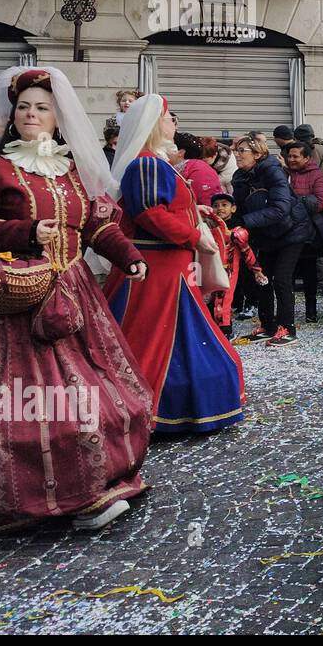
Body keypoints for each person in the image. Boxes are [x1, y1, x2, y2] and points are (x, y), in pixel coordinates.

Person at [0, 67, 153, 532]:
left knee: (98, 393)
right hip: (19, 299)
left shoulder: (70, 169)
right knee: (29, 407)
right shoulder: (0, 167)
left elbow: (96, 225)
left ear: (57, 118)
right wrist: (23, 231)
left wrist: (129, 256)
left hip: (74, 295)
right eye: (24, 106)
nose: (31, 114)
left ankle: (90, 487)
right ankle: (37, 496)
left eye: (41, 107)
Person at [104, 95, 246, 433]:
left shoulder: (153, 162)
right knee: (152, 342)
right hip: (159, 270)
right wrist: (194, 236)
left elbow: (159, 208)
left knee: (167, 339)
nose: (174, 125)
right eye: (169, 119)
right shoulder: (147, 164)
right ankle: (150, 410)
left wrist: (195, 213)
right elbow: (151, 214)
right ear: (154, 124)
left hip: (167, 267)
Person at [232, 133, 309, 347]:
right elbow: (240, 206)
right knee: (262, 278)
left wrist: (245, 220)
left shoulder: (272, 171)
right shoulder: (240, 176)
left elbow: (280, 209)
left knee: (282, 279)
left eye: (242, 151)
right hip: (265, 234)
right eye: (236, 151)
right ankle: (268, 325)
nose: (237, 155)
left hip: (291, 231)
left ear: (257, 154)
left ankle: (288, 328)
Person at [207, 192, 267, 338]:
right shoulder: (210, 227)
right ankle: (212, 328)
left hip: (228, 271)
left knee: (223, 301)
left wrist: (256, 270)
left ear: (233, 209)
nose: (219, 208)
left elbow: (247, 252)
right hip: (211, 269)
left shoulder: (237, 231)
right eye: (215, 206)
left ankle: (226, 331)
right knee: (211, 300)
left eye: (224, 205)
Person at [283, 140, 323, 326]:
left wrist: (294, 202)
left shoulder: (316, 175)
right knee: (287, 272)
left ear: (307, 158)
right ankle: (287, 312)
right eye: (289, 156)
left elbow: (320, 202)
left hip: (308, 231)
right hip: (286, 229)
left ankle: (311, 310)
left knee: (309, 272)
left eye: (296, 156)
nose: (291, 159)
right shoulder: (283, 173)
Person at [171, 131, 221, 207]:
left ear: (180, 152)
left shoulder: (200, 172)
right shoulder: (185, 169)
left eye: (170, 146)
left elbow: (207, 204)